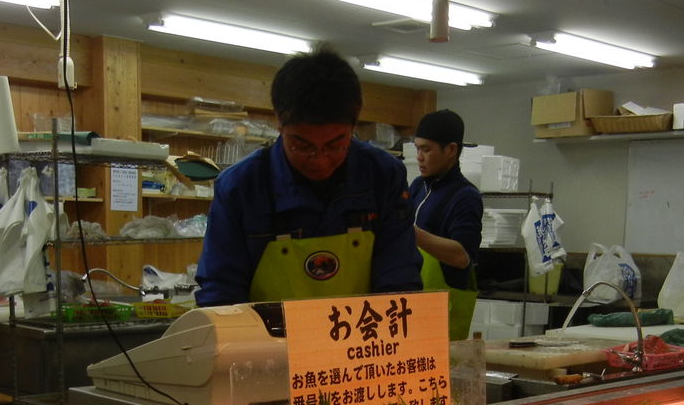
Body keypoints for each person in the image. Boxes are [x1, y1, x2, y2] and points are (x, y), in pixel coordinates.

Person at [195, 48, 422, 306]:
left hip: (363, 340)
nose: (320, 159)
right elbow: (221, 292)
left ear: (353, 126)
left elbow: (399, 277)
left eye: (335, 144)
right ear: (279, 124)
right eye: (302, 146)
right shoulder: (240, 186)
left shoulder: (382, 174)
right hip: (266, 343)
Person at [409, 109, 483, 341]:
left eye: (427, 149)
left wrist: (408, 231)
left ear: (451, 150)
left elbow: (462, 256)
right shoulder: (418, 187)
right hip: (411, 304)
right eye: (417, 148)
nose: (419, 157)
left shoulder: (465, 196)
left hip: (443, 309)